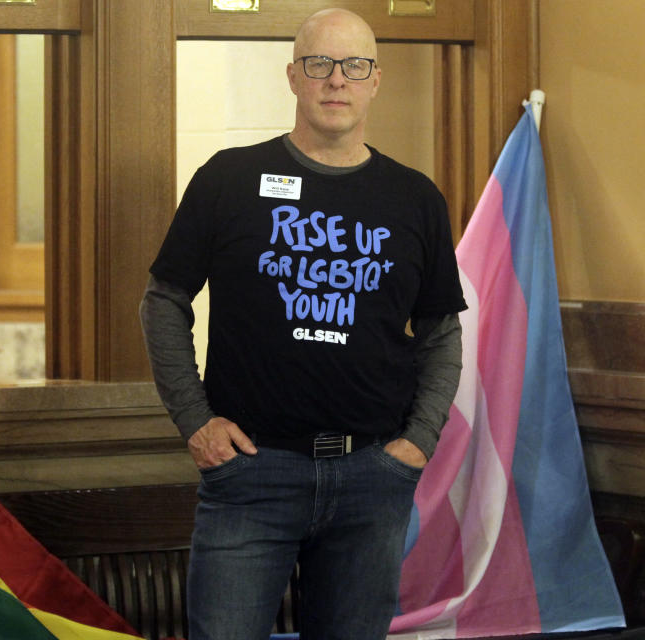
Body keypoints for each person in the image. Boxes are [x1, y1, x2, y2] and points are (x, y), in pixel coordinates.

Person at [140, 7, 467, 640]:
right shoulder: (228, 179)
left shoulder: (415, 198)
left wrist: (418, 442)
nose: (336, 81)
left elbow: (441, 334)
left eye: (354, 66)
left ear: (376, 80)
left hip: (374, 477)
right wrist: (195, 421)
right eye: (319, 64)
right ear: (293, 76)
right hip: (250, 474)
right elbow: (164, 300)